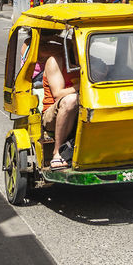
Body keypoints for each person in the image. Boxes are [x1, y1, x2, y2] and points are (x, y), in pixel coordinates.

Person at [38, 35, 79, 169]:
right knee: (71, 100)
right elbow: (58, 94)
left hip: (82, 108)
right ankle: (57, 152)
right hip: (52, 113)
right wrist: (85, 84)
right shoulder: (55, 61)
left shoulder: (93, 61)